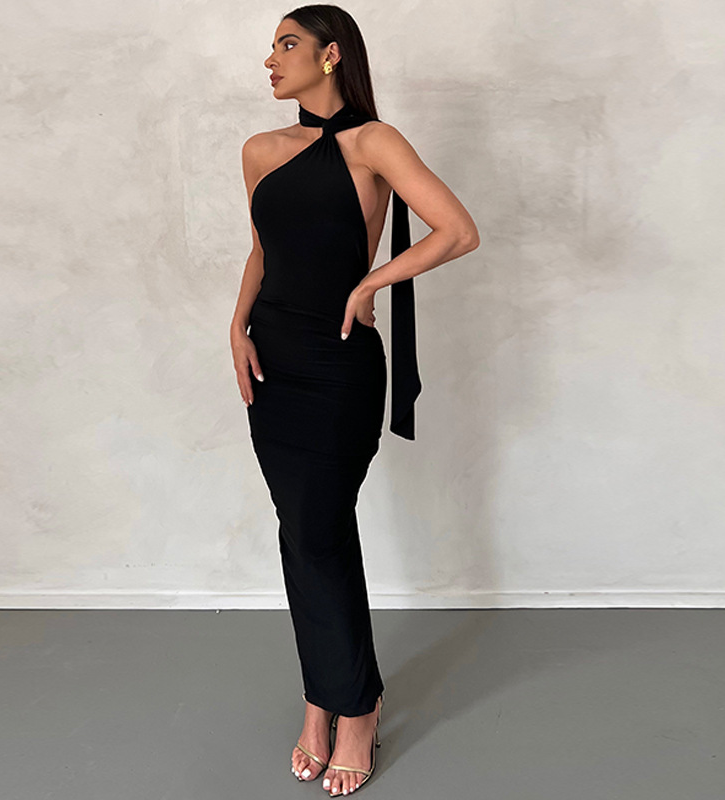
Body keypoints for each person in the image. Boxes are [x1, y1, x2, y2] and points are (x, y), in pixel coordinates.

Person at [229, 5, 479, 795]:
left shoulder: (374, 142)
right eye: (272, 46)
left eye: (288, 44)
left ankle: (356, 708)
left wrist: (372, 282)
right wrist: (235, 328)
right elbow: (263, 251)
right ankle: (322, 700)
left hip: (337, 366)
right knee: (299, 532)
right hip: (271, 359)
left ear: (332, 55)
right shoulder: (260, 150)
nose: (271, 59)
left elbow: (456, 230)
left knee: (321, 531)